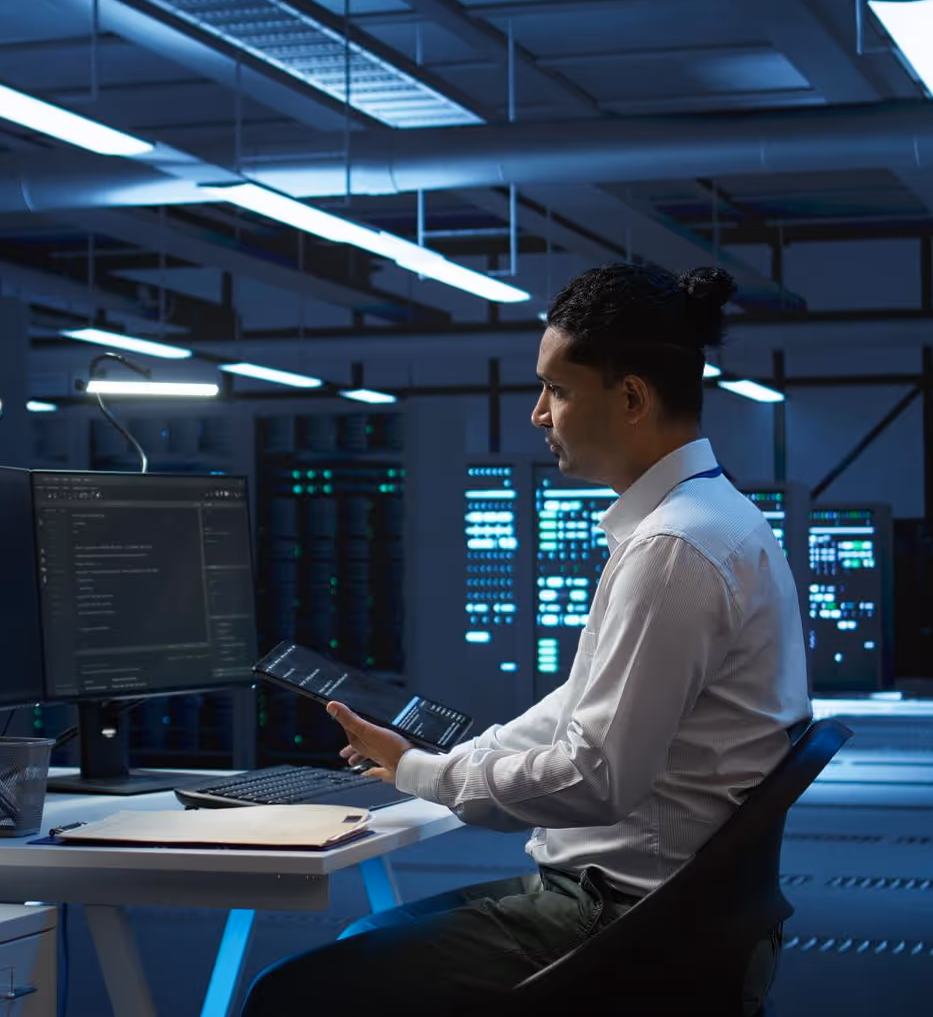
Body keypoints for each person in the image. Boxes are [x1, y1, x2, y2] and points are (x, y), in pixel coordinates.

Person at [241, 262, 812, 1017]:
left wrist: (423, 775)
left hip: (630, 921)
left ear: (632, 397)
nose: (538, 414)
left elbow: (594, 775)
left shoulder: (673, 547)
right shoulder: (706, 520)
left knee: (290, 996)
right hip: (672, 909)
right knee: (365, 939)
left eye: (559, 389)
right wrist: (447, 759)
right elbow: (580, 704)